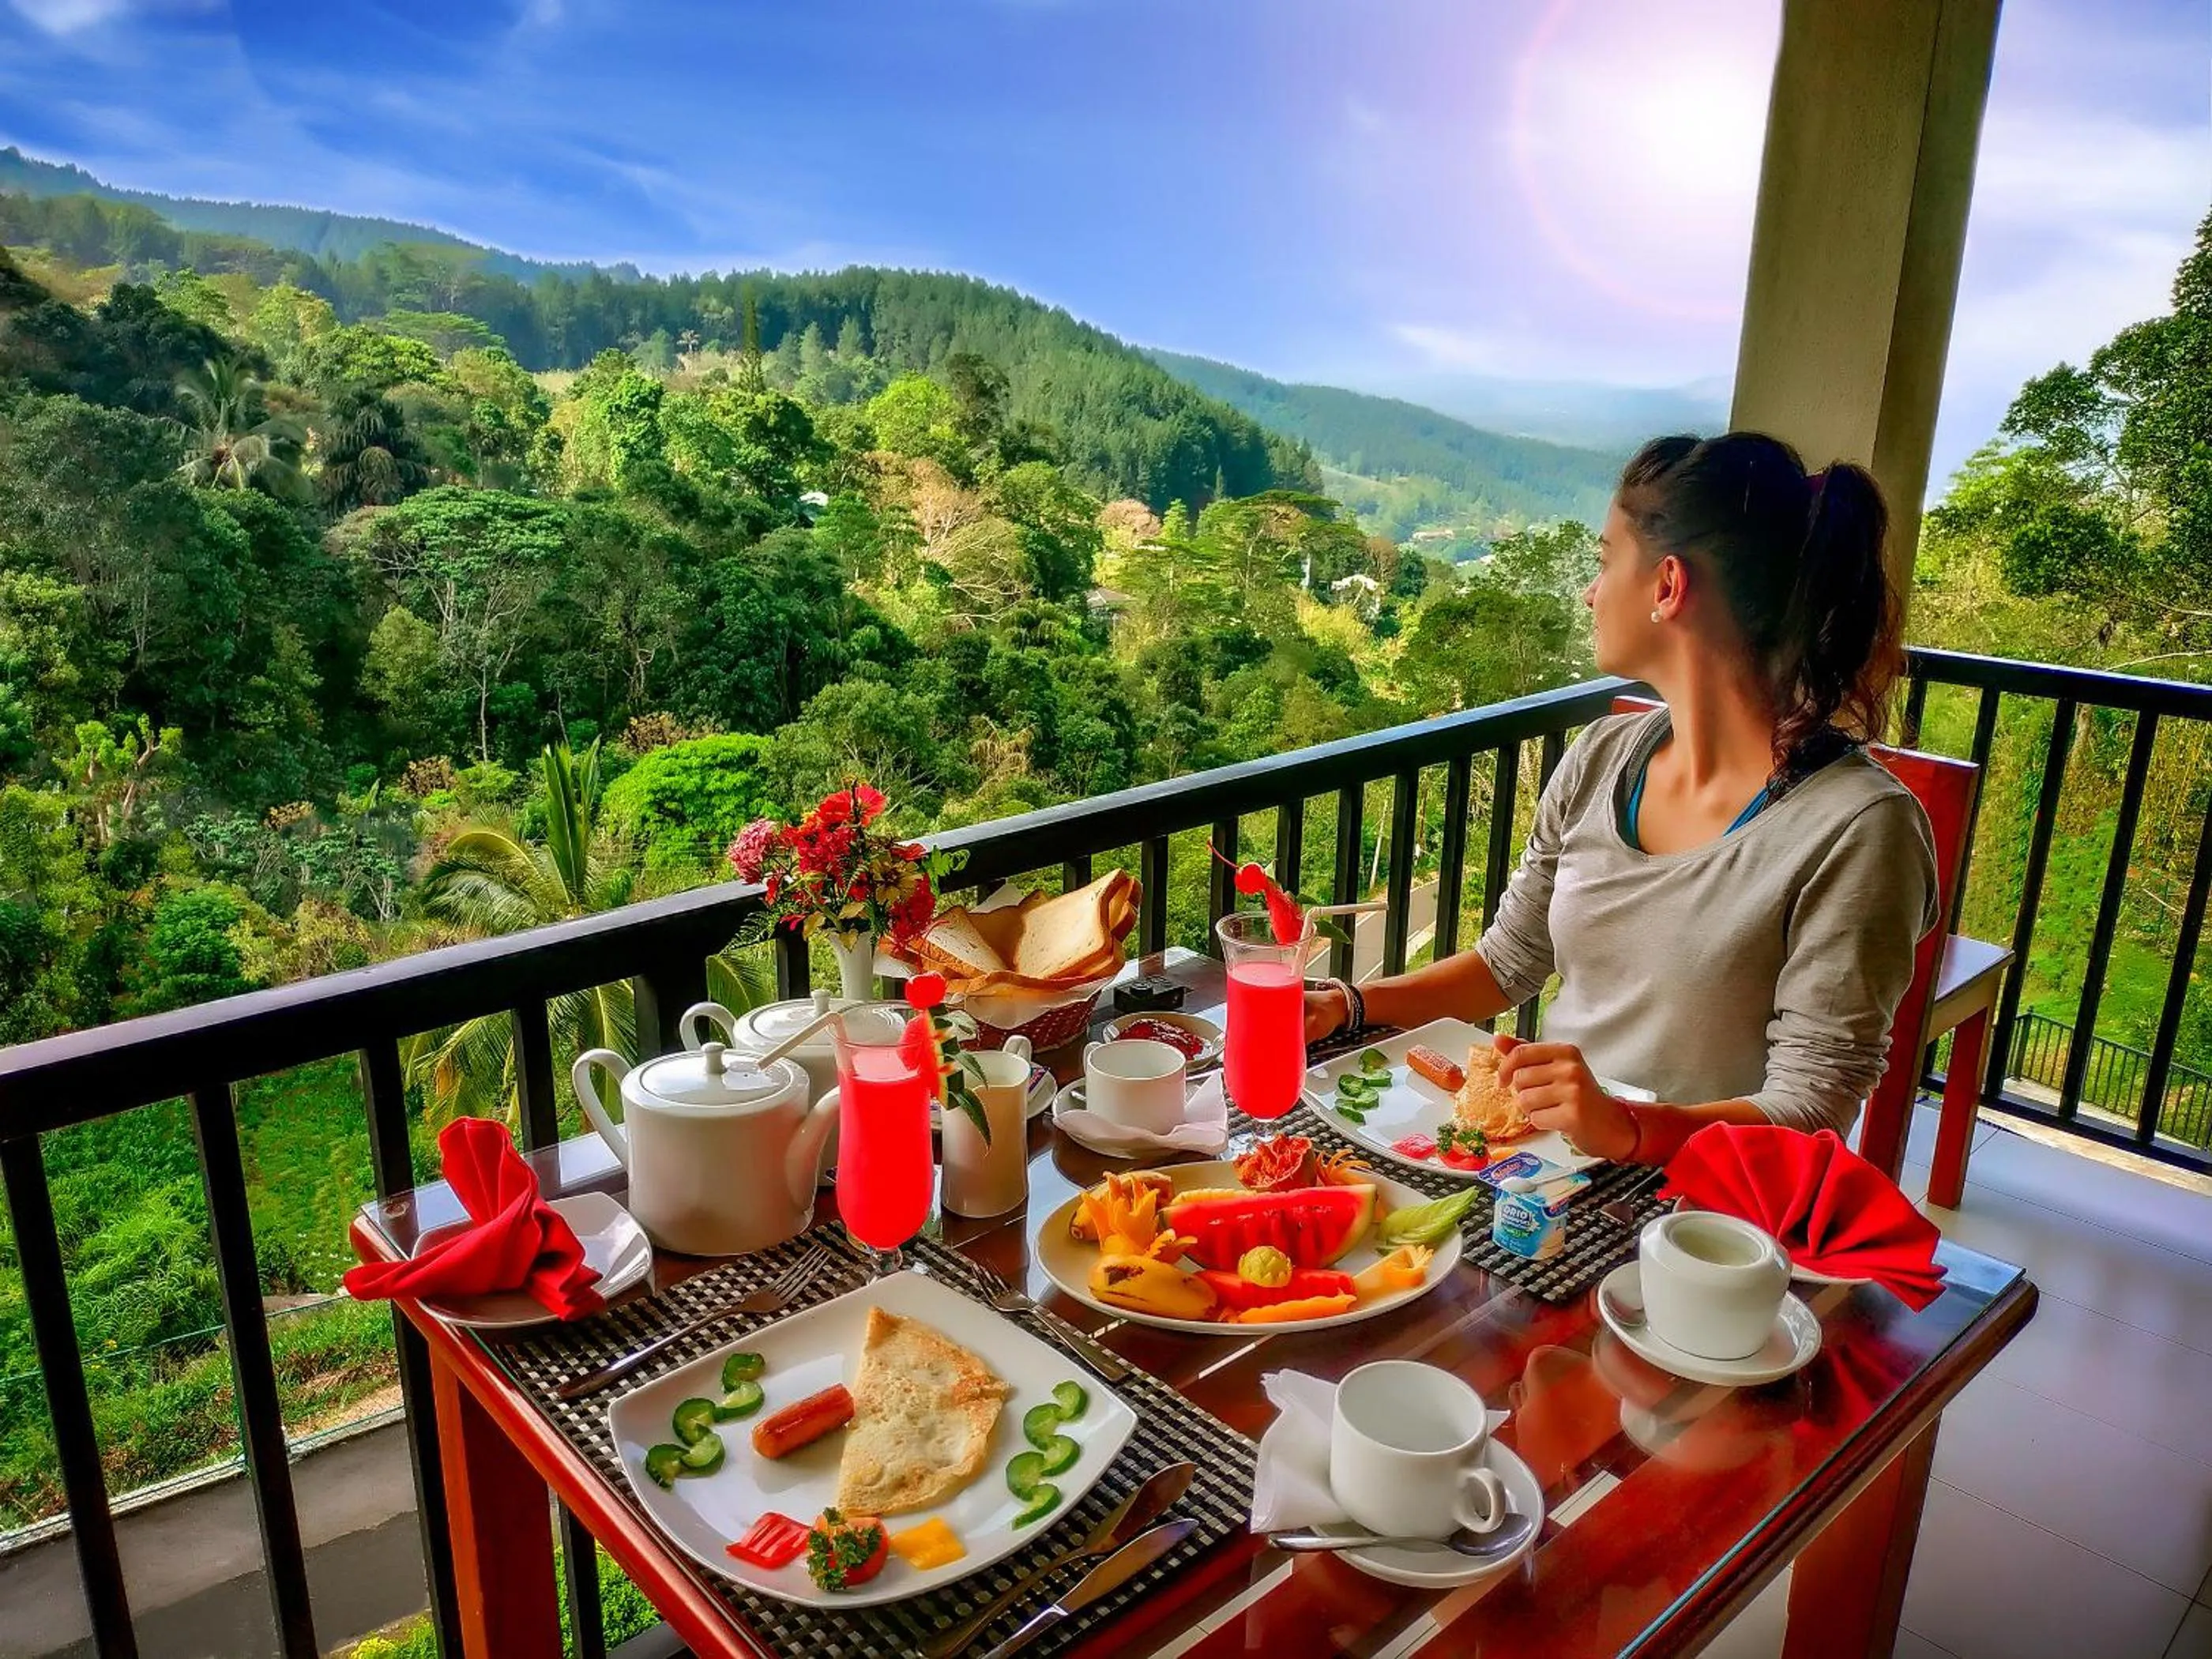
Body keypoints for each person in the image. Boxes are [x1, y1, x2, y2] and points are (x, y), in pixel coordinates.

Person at [1305, 432, 1939, 1166]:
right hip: (1540, 1175)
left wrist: (1630, 1129)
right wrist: (1351, 1005)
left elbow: (1811, 1107)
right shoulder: (1604, 758)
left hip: (1697, 1216)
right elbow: (1508, 964)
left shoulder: (1858, 829)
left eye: (1606, 562)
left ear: (1668, 586)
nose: (1590, 590)